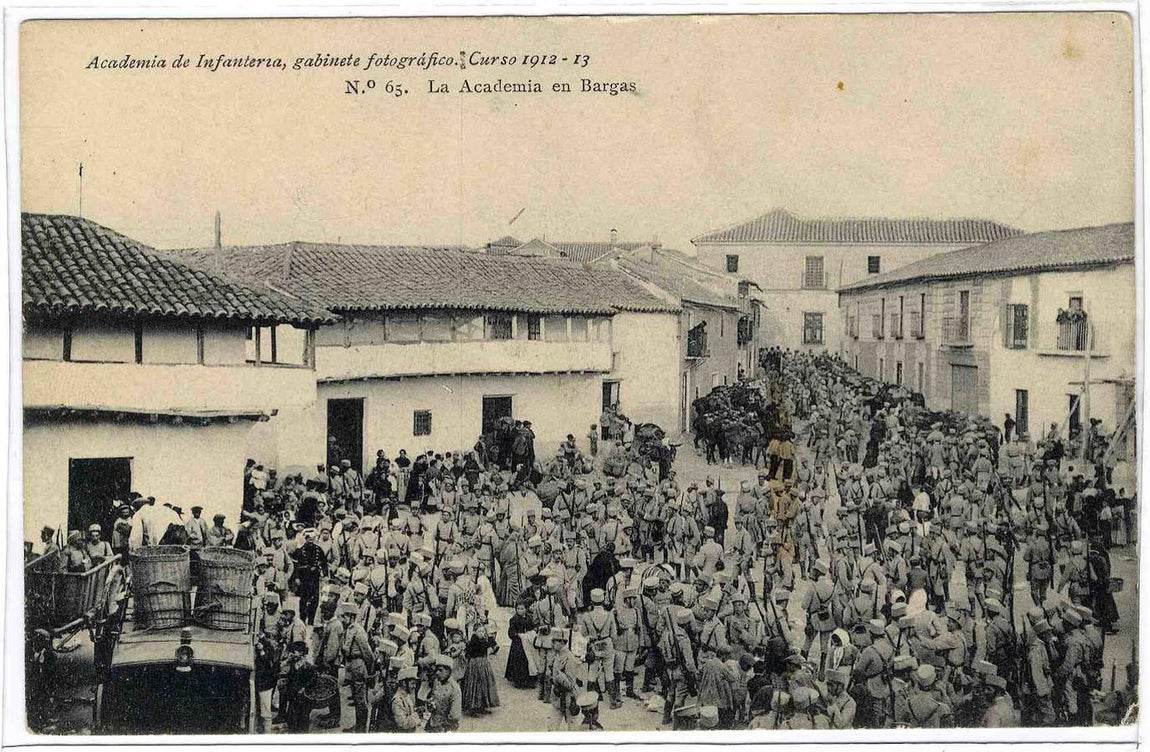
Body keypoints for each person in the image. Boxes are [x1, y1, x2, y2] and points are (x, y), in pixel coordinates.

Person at [461, 622, 500, 716]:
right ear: (475, 632)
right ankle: (473, 708)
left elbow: (493, 647)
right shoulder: (474, 641)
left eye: (483, 631)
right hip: (475, 664)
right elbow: (482, 646)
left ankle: (482, 706)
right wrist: (490, 640)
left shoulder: (483, 640)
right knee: (475, 685)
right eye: (479, 631)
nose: (481, 633)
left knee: (484, 684)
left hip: (484, 663)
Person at [282, 640, 317, 733]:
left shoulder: (307, 666)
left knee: (303, 718)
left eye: (294, 652)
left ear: (301, 653)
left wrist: (305, 688)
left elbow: (313, 680)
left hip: (304, 696)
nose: (292, 654)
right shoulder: (292, 663)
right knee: (291, 717)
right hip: (293, 694)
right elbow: (283, 669)